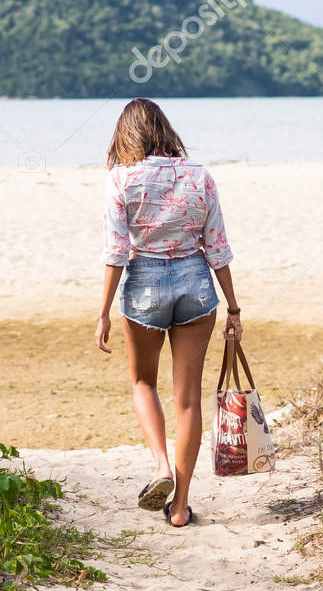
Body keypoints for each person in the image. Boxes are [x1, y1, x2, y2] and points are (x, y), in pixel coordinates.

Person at [95, 98, 241, 528]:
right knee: (189, 400)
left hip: (144, 286)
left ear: (126, 136)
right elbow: (217, 245)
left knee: (142, 381)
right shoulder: (199, 175)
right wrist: (232, 305)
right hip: (197, 284)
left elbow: (117, 251)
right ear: (164, 129)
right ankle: (180, 507)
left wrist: (103, 312)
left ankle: (161, 468)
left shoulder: (121, 179)